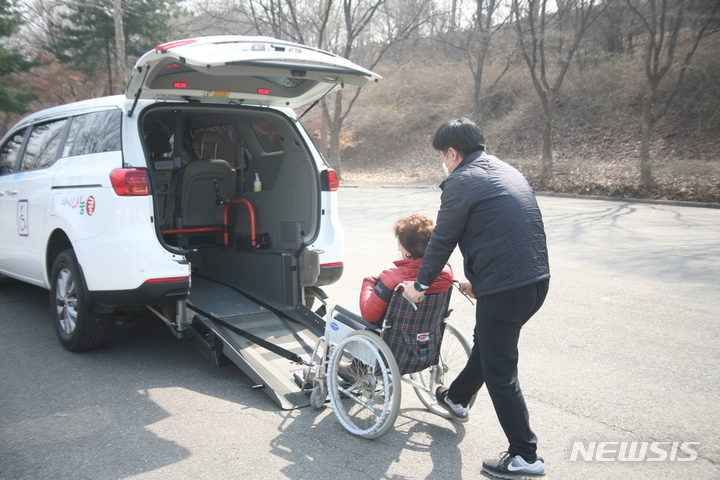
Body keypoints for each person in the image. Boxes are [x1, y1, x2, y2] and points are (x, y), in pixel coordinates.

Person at [403, 118, 550, 479]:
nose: (443, 162)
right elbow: (508, 235)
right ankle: (455, 397)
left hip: (507, 289)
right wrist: (482, 285)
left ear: (452, 152)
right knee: (488, 345)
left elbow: (442, 240)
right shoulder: (505, 170)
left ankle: (525, 456)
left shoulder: (461, 181)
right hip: (535, 282)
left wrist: (419, 286)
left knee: (501, 371)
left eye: (442, 155)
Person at [359, 214, 454, 323]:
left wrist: (369, 281)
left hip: (393, 336)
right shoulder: (446, 271)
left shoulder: (392, 277)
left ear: (408, 250)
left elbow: (369, 315)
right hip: (430, 334)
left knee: (339, 317)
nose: (398, 248)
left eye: (399, 245)